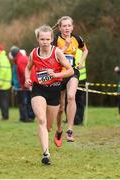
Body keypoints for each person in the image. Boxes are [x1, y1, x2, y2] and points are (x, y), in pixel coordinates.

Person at [25, 25, 74, 165]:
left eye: (47, 39)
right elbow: (27, 68)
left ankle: (47, 135)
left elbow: (70, 71)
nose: (45, 42)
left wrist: (56, 74)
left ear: (52, 39)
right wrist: (27, 78)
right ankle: (46, 153)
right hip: (38, 89)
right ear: (38, 39)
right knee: (41, 119)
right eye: (42, 39)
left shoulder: (57, 52)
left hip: (54, 90)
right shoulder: (34, 53)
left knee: (48, 127)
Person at [52, 16, 88, 146]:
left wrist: (81, 62)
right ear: (60, 28)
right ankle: (59, 130)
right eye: (64, 26)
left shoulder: (77, 39)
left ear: (72, 27)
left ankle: (70, 130)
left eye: (69, 26)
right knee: (60, 108)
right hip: (59, 74)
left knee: (71, 96)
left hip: (72, 71)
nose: (67, 28)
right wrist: (65, 46)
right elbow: (53, 56)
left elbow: (85, 50)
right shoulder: (55, 39)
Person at [9, 46, 35, 122]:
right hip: (30, 82)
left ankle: (26, 118)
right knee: (28, 101)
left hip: (27, 84)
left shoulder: (20, 60)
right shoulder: (22, 58)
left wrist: (25, 85)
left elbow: (25, 73)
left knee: (24, 102)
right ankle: (29, 117)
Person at [0, 44, 12, 120]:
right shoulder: (0, 58)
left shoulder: (2, 59)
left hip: (4, 85)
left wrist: (0, 84)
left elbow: (3, 72)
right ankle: (4, 115)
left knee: (4, 101)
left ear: (0, 50)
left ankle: (5, 116)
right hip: (3, 84)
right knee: (2, 101)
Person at [74, 49, 87, 125]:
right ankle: (72, 119)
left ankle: (79, 120)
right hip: (74, 78)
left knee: (79, 100)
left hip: (80, 79)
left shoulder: (80, 51)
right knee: (71, 100)